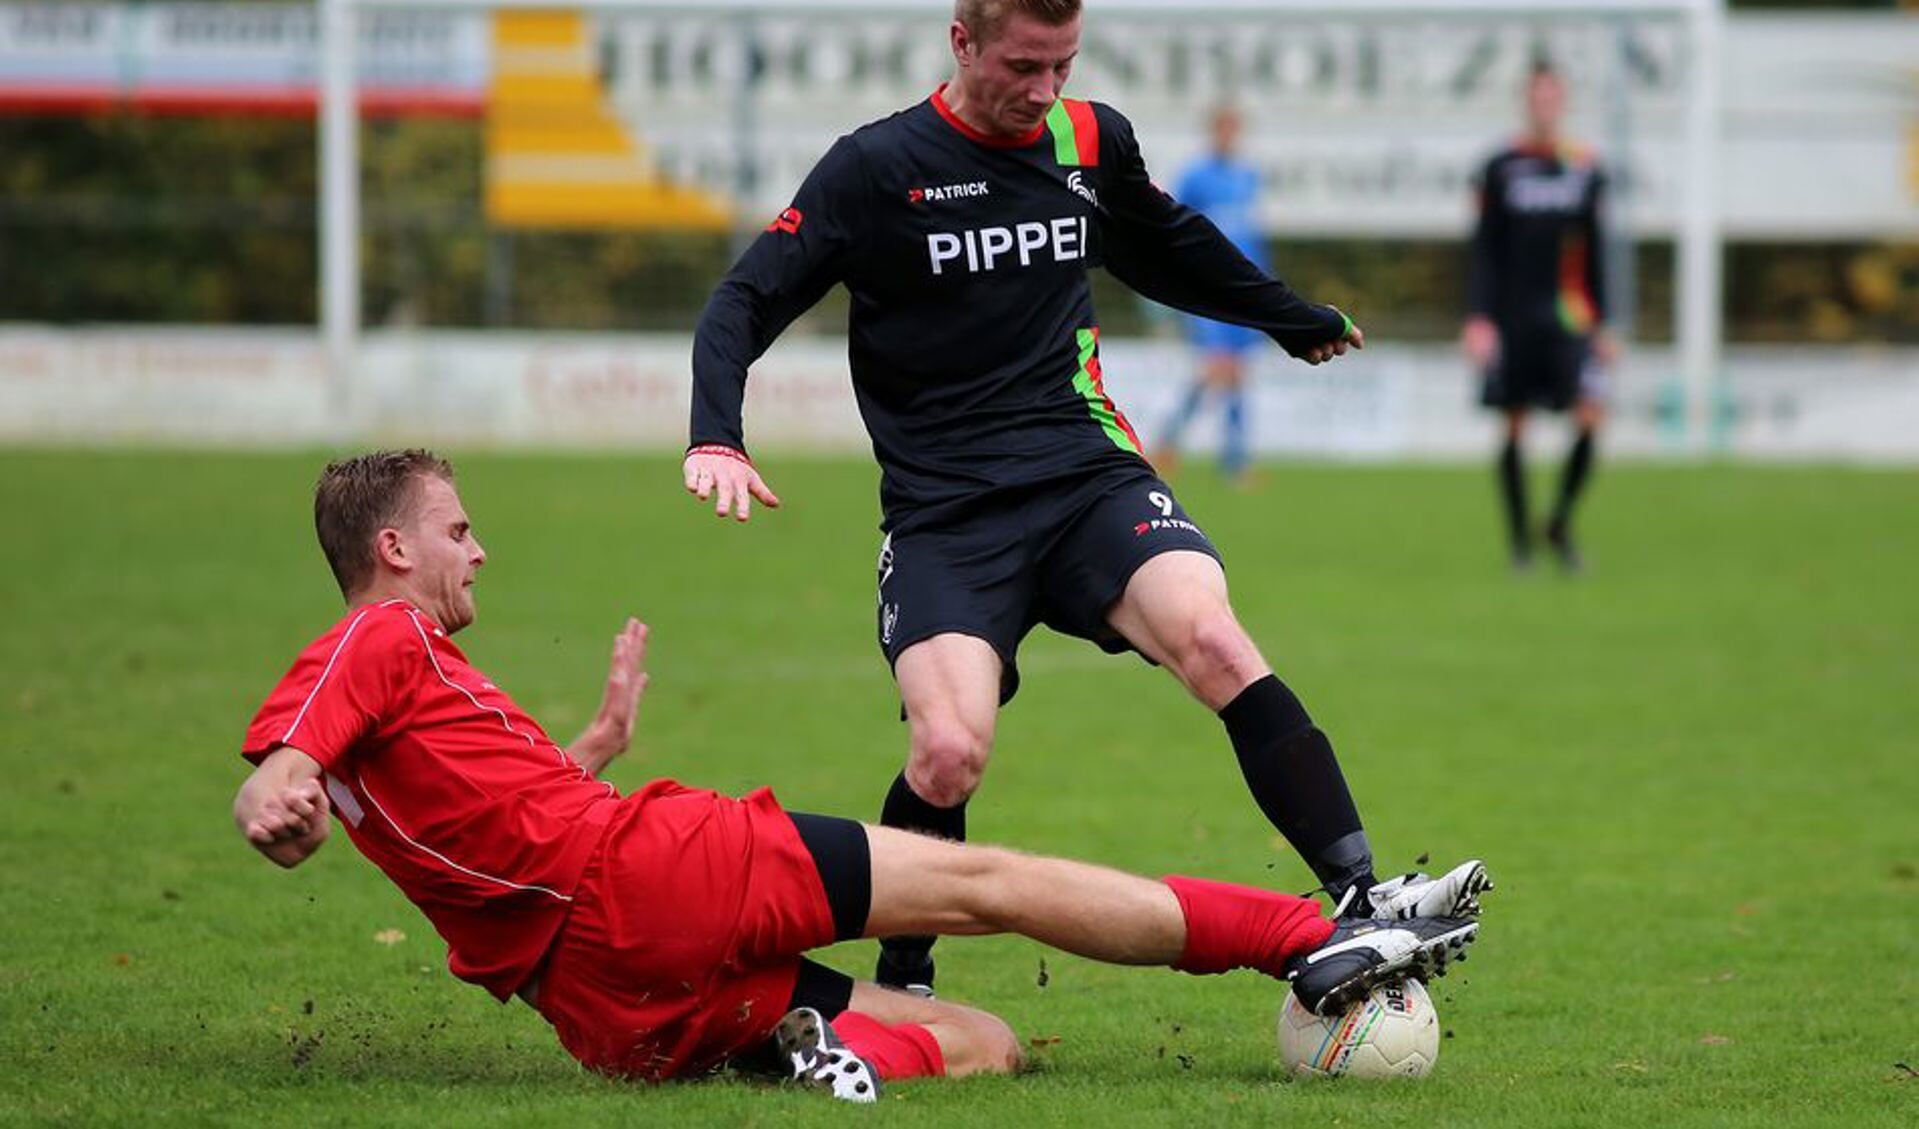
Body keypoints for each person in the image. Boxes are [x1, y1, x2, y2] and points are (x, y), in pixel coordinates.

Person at [233, 450, 1482, 1101]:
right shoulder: (375, 636)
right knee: (986, 878)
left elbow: (475, 834)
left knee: (983, 1040)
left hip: (604, 1001)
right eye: (456, 531)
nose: (479, 548)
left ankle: (826, 1055)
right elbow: (290, 754)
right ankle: (1309, 937)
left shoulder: (396, 682)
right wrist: (273, 786)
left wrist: (590, 752)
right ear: (391, 547)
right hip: (658, 875)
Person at [684, 0, 1490, 998]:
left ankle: (1359, 898)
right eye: (1022, 66)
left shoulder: (1088, 137)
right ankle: (905, 971)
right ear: (961, 42)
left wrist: (1286, 318)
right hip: (948, 517)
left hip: (1085, 474)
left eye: (1062, 64)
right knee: (946, 751)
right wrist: (716, 432)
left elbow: (1164, 243)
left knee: (1214, 641)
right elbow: (743, 299)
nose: (1043, 90)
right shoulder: (874, 168)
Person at [1463, 60, 1618, 573]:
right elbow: (1484, 250)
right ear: (1525, 102)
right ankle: (1520, 546)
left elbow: (1596, 251)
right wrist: (1480, 318)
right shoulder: (1500, 166)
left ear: (1563, 102)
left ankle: (1560, 521)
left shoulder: (1585, 167)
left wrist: (1606, 322)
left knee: (1592, 413)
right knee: (1513, 425)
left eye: (1553, 97)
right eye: (1537, 97)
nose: (1544, 106)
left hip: (1570, 318)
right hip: (1512, 319)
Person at [1153, 103, 1267, 487]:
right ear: (1212, 132)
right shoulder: (1195, 176)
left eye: (1234, 129)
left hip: (1244, 289)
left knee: (1236, 374)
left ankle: (1226, 459)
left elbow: (1252, 235)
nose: (1229, 136)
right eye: (1223, 129)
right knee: (1219, 367)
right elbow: (1174, 226)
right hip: (1206, 286)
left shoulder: (1248, 176)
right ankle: (1176, 445)